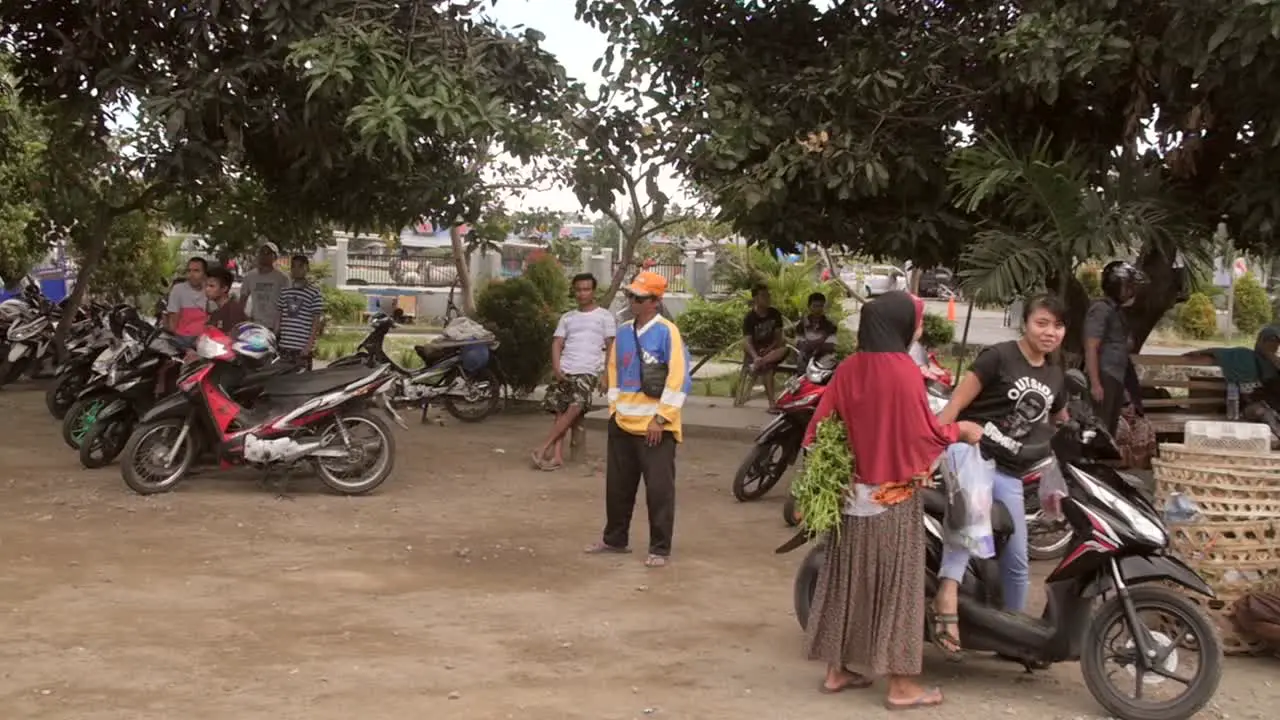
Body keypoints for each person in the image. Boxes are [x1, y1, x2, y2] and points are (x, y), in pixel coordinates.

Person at [802, 291, 983, 709]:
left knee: (846, 583)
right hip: (892, 499)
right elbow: (923, 435)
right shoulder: (902, 370)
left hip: (849, 500)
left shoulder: (849, 368)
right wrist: (963, 431)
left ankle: (837, 670)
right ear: (901, 325)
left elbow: (819, 428)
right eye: (916, 321)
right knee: (898, 589)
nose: (919, 327)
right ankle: (902, 686)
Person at [930, 294, 1069, 655]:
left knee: (1018, 559)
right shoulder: (998, 357)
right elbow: (956, 405)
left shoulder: (1056, 375)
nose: (1050, 332)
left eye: (1057, 325)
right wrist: (925, 449)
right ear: (1026, 323)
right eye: (1042, 323)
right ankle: (947, 595)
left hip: (1009, 470)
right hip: (971, 451)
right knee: (972, 522)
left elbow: (1059, 419)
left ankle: (1013, 635)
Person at [585, 271, 691, 568]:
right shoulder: (623, 332)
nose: (632, 301)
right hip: (623, 422)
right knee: (617, 487)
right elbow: (615, 371)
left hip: (655, 426)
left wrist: (662, 418)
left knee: (659, 489)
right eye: (631, 296)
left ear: (655, 302)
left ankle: (660, 548)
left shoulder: (667, 331)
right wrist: (614, 410)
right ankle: (615, 538)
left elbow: (679, 378)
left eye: (639, 297)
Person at [533, 273, 617, 471]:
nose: (582, 293)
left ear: (593, 291)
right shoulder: (568, 318)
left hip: (588, 370)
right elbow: (557, 343)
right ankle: (557, 456)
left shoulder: (604, 316)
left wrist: (606, 375)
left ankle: (544, 446)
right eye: (578, 289)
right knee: (560, 410)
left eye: (586, 289)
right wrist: (556, 367)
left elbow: (611, 347)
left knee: (575, 407)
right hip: (566, 368)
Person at [1085, 260, 1144, 435]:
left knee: (1110, 424)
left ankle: (1104, 459)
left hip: (1117, 376)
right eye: (1127, 286)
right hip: (1105, 374)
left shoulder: (1117, 311)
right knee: (1100, 424)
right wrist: (1095, 383)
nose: (1131, 291)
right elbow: (1091, 347)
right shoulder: (1100, 310)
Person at [275, 255, 325, 369]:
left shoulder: (314, 293)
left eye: (300, 266)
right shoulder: (285, 291)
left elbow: (316, 322)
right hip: (284, 346)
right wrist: (275, 335)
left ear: (307, 268)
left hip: (301, 348)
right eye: (293, 267)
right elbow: (279, 315)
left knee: (300, 383)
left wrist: (308, 346)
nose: (296, 270)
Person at [743, 285, 787, 410]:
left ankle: (760, 363)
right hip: (756, 353)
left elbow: (779, 338)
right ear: (756, 298)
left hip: (773, 351)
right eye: (764, 296)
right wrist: (756, 356)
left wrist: (769, 349)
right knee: (768, 368)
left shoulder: (775, 314)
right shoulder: (749, 318)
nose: (768, 298)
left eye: (768, 295)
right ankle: (772, 403)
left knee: (784, 349)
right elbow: (747, 341)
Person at [240, 241, 290, 328]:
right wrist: (244, 318)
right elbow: (243, 299)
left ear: (275, 257)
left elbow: (288, 303)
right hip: (255, 325)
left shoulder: (283, 278)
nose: (264, 255)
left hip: (275, 326)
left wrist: (281, 325)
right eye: (261, 252)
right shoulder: (250, 276)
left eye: (268, 253)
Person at [166, 257, 211, 347]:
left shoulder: (209, 290)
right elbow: (173, 323)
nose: (191, 274)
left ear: (205, 274)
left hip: (205, 342)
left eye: (196, 271)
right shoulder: (178, 289)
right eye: (189, 271)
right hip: (182, 341)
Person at [793, 292, 838, 367]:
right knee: (801, 360)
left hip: (824, 357)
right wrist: (818, 342)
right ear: (809, 306)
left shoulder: (830, 325)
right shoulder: (801, 325)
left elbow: (830, 346)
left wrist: (813, 347)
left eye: (820, 306)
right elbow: (800, 344)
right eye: (815, 306)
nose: (818, 309)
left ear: (824, 307)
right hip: (805, 356)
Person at [205, 266, 246, 333]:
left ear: (224, 288)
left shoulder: (233, 310)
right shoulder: (215, 314)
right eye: (206, 285)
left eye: (211, 286)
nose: (207, 289)